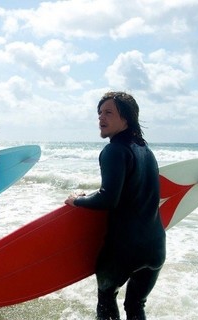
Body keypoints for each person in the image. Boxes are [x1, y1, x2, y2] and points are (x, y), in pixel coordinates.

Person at [65, 92, 165, 320]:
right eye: (100, 113)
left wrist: (76, 200)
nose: (101, 117)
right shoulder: (146, 151)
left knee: (107, 300)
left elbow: (108, 198)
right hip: (155, 248)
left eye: (109, 112)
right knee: (136, 305)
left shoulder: (114, 150)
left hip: (124, 250)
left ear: (126, 119)